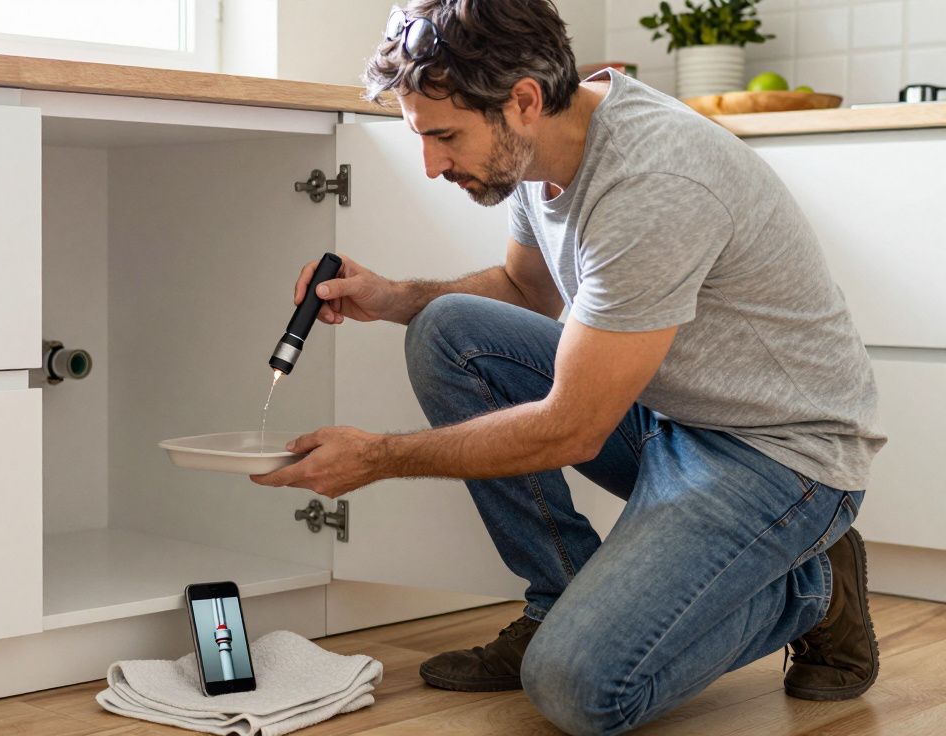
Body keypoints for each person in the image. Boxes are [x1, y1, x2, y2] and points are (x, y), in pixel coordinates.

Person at [249, 1, 887, 733]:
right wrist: (395, 298)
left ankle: (810, 586)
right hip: (670, 413)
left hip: (781, 456)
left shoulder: (653, 180)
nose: (431, 164)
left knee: (579, 690)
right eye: (421, 135)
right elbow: (526, 290)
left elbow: (572, 429)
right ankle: (560, 598)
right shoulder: (542, 148)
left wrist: (378, 458)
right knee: (446, 329)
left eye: (445, 136)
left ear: (523, 99)